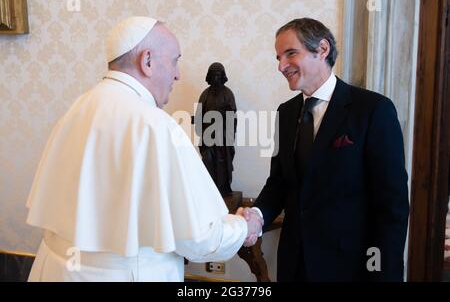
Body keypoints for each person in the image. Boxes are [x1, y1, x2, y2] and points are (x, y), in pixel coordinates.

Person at [26, 16, 263, 282]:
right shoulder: (156, 126)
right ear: (147, 61)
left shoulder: (79, 107)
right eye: (175, 60)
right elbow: (199, 239)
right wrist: (244, 226)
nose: (178, 73)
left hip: (54, 270)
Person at [250, 18, 409, 281]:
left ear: (322, 49)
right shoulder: (285, 113)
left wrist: (385, 274)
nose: (281, 66)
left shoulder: (373, 109)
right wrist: (256, 216)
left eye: (291, 53)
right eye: (278, 57)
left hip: (352, 268)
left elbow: (392, 206)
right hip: (294, 266)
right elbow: (279, 183)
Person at [195, 62, 237, 196]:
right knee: (208, 162)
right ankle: (210, 191)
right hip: (208, 137)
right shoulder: (205, 95)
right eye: (213, 76)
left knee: (222, 164)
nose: (216, 79)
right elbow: (199, 115)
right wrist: (197, 120)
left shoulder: (228, 93)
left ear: (223, 76)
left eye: (218, 76)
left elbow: (232, 115)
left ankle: (223, 190)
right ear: (209, 77)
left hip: (223, 138)